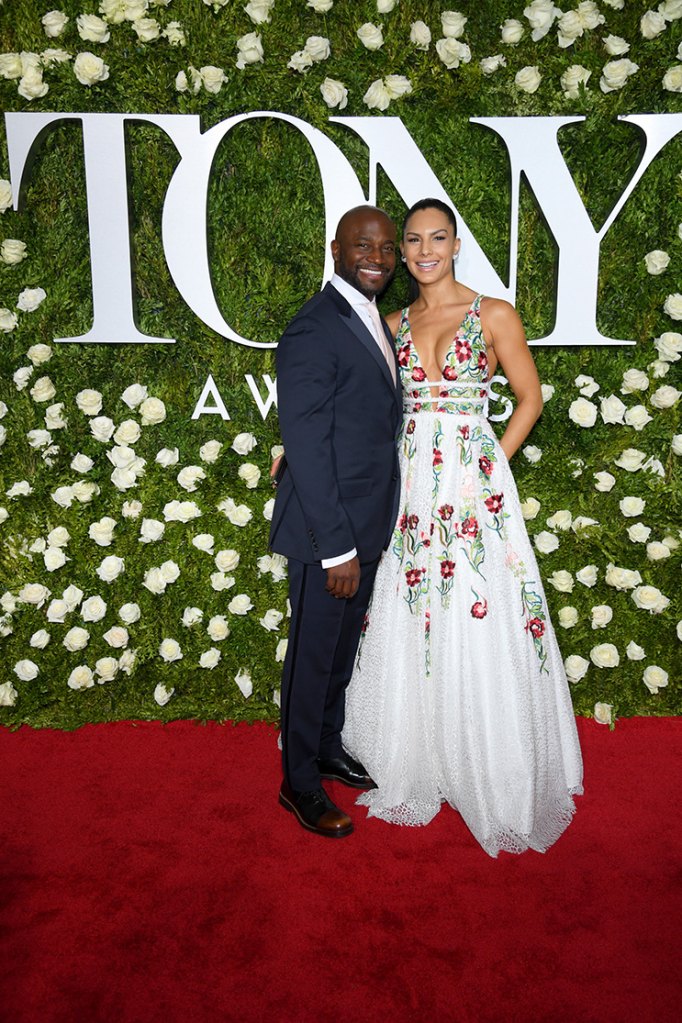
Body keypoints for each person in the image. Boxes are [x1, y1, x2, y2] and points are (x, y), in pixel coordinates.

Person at [342, 198, 584, 856]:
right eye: (413, 240)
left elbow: (530, 397)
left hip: (474, 487)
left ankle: (488, 758)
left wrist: (488, 468)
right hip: (411, 485)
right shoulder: (392, 322)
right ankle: (419, 750)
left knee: (479, 610)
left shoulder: (493, 313)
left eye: (437, 237)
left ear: (455, 243)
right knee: (413, 609)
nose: (424, 250)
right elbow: (366, 408)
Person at [270, 205, 402, 838]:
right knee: (313, 658)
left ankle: (325, 746)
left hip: (365, 525)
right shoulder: (314, 328)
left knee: (340, 654)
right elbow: (307, 443)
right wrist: (337, 548)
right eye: (361, 247)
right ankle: (298, 784)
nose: (375, 258)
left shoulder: (369, 319)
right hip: (330, 535)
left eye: (385, 248)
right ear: (335, 249)